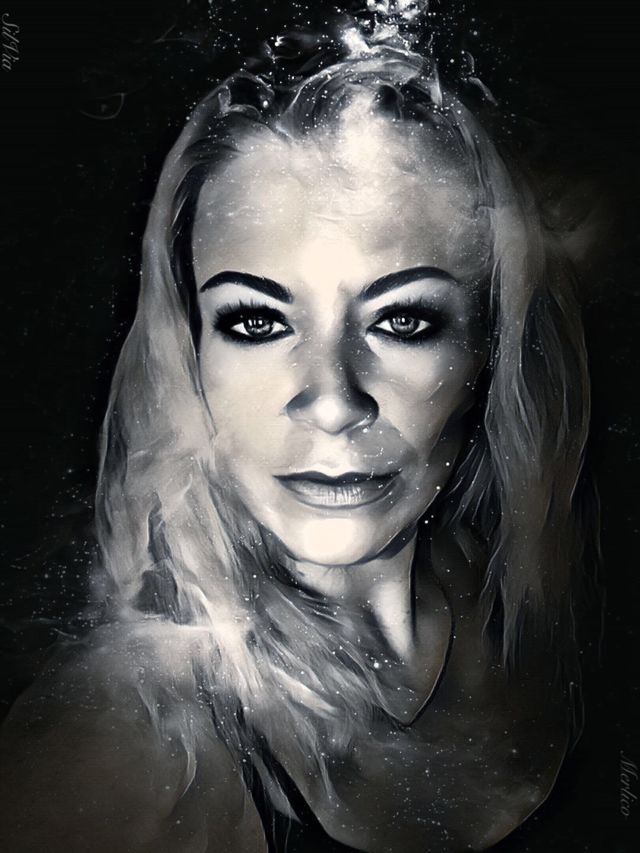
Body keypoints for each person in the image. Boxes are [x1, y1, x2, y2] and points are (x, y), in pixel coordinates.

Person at [0, 14, 592, 853]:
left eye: (405, 319)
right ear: (186, 352)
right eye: (254, 321)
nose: (333, 401)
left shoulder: (522, 595)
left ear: (490, 347)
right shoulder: (123, 736)